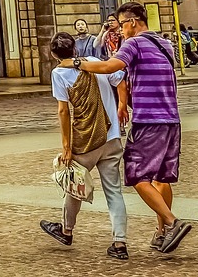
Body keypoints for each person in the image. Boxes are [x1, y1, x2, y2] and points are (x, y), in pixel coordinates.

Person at [76, 2, 191, 255]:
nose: (120, 31)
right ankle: (161, 234)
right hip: (171, 119)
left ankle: (172, 223)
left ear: (131, 23)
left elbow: (109, 67)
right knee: (161, 178)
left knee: (137, 176)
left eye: (121, 25)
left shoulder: (134, 43)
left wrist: (77, 64)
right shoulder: (166, 44)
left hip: (148, 120)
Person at [38, 32, 129, 260]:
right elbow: (120, 81)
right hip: (111, 136)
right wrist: (121, 108)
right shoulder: (97, 63)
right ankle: (120, 243)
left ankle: (66, 230)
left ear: (53, 54)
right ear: (75, 49)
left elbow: (63, 111)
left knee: (75, 185)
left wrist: (67, 147)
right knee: (114, 191)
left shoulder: (59, 74)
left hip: (86, 140)